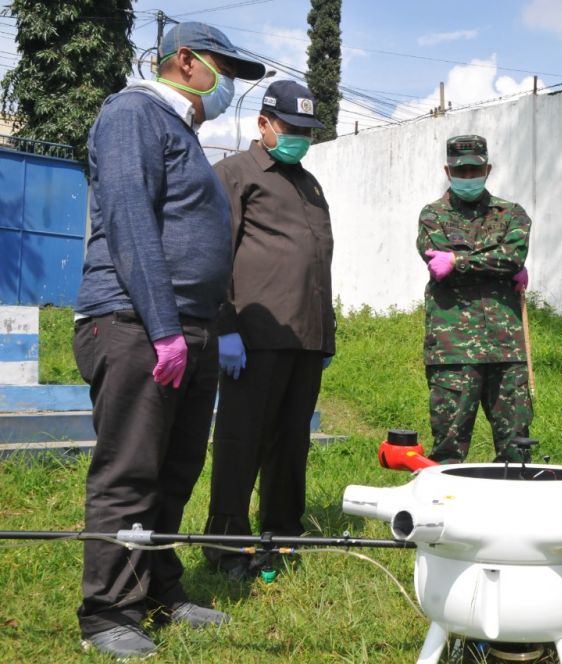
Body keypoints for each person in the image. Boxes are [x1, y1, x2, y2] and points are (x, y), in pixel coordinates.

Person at [72, 22, 265, 659]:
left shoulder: (180, 131)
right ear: (185, 61)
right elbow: (129, 220)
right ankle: (106, 613)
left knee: (176, 471)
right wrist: (162, 328)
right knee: (131, 470)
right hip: (136, 323)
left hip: (190, 327)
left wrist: (205, 326)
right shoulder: (132, 114)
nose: (230, 86)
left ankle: (157, 588)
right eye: (224, 71)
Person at [202, 80, 335, 580]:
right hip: (253, 338)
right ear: (264, 125)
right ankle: (227, 549)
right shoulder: (234, 175)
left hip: (305, 337)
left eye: (307, 130)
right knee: (241, 441)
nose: (300, 137)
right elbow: (213, 255)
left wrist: (328, 335)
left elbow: (318, 261)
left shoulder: (308, 183)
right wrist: (225, 326)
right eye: (292, 128)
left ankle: (280, 539)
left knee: (291, 443)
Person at [417, 134, 531, 464]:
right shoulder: (432, 215)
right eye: (460, 171)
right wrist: (498, 261)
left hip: (505, 350)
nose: (468, 177)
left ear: (487, 168)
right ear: (448, 171)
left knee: (518, 449)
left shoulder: (512, 213)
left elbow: (513, 257)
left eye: (474, 170)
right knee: (448, 451)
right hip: (453, 351)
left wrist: (459, 261)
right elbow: (438, 264)